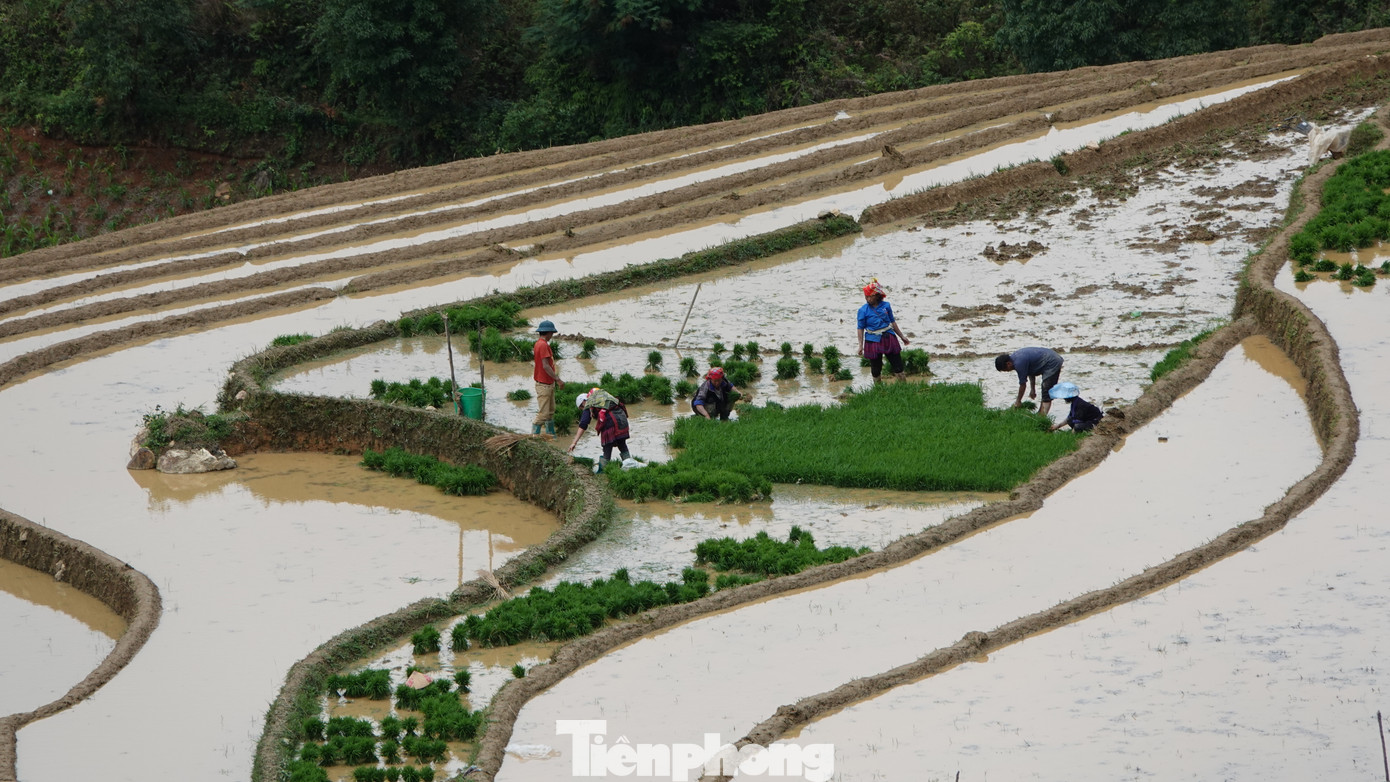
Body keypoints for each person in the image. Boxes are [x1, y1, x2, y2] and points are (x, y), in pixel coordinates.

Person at [856, 279, 910, 384]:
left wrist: (902, 337)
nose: (867, 299)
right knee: (876, 368)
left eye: (870, 296)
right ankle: (878, 388)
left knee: (898, 365)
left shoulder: (886, 306)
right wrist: (860, 345)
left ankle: (904, 386)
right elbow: (860, 328)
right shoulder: (863, 310)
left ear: (877, 295)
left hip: (888, 337)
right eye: (866, 296)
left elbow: (893, 322)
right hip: (872, 340)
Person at [567, 387, 631, 472]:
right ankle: (630, 466)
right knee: (622, 444)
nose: (583, 410)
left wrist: (574, 442)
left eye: (581, 408)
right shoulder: (602, 397)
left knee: (607, 446)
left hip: (611, 421)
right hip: (621, 417)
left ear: (583, 402)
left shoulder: (589, 402)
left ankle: (603, 471)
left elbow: (583, 424)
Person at [995, 346, 1064, 415]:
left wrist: (1018, 401)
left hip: (1052, 362)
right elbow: (1031, 372)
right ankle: (1040, 413)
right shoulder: (1015, 358)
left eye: (1006, 370)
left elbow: (1022, 384)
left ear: (1008, 364)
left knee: (1046, 390)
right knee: (1045, 388)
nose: (1007, 371)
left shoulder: (1018, 364)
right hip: (1048, 358)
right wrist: (1032, 389)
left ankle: (1042, 416)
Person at [531, 320, 560, 436]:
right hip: (544, 385)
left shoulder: (540, 343)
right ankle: (534, 436)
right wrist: (558, 379)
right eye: (551, 333)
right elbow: (546, 366)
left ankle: (550, 434)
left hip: (548, 383)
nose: (552, 335)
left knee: (551, 411)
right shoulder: (542, 345)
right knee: (543, 414)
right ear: (547, 333)